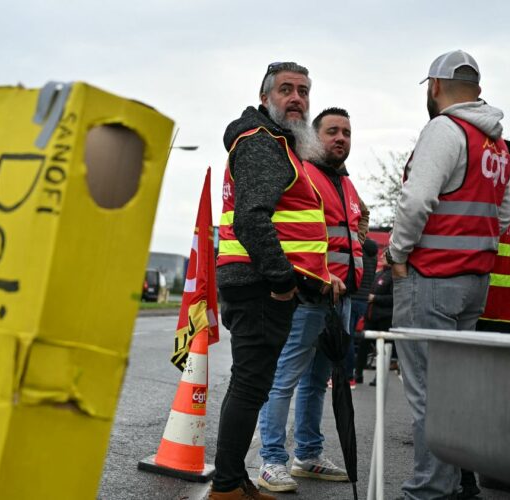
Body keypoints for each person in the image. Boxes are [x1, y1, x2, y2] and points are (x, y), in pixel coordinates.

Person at [386, 50, 510, 500]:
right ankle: (459, 484)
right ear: (476, 88)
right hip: (473, 280)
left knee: (428, 394)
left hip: (432, 278)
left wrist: (398, 254)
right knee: (453, 393)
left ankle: (428, 491)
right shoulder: (495, 144)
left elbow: (417, 199)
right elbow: (503, 214)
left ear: (435, 87)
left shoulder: (445, 129)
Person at [211, 62, 339, 500]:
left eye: (304, 90)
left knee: (251, 383)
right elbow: (252, 219)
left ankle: (232, 481)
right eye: (286, 90)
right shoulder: (263, 143)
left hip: (255, 281)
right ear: (265, 97)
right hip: (260, 284)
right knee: (251, 385)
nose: (297, 98)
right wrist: (284, 281)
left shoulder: (279, 144)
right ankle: (227, 486)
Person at [256, 107, 366, 492]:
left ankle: (308, 455)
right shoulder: (304, 174)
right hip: (309, 295)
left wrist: (357, 251)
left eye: (347, 133)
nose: (340, 138)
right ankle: (271, 460)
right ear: (315, 137)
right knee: (284, 378)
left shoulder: (344, 183)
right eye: (332, 131)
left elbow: (358, 221)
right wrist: (320, 274)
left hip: (341, 299)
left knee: (317, 381)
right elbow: (287, 231)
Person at [459, 138, 510, 499]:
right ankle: (488, 468)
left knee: (465, 390)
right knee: (495, 391)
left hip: (477, 288)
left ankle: (465, 475)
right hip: (507, 298)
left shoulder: (495, 177)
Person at [348, 238, 378, 386]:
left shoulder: (356, 248)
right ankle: (352, 374)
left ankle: (348, 375)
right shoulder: (373, 253)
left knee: (346, 338)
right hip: (364, 300)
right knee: (352, 337)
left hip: (353, 297)